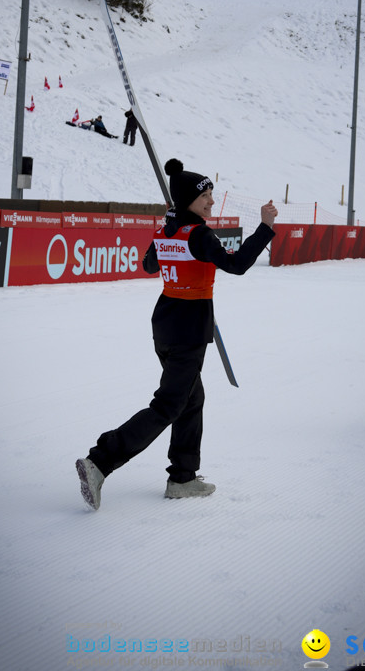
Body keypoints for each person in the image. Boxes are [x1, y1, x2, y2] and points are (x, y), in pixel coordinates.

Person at [75, 157, 278, 509]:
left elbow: (150, 264)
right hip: (188, 331)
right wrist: (264, 227)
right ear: (189, 202)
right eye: (206, 199)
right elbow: (237, 264)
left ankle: (182, 477)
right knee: (168, 404)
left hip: (166, 323)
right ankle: (100, 461)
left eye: (211, 197)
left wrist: (169, 231)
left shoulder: (167, 231)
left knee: (191, 398)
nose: (212, 203)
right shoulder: (198, 234)